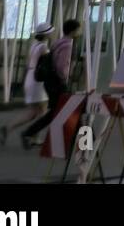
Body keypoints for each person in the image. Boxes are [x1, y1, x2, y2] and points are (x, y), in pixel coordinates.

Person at [19, 19, 81, 149]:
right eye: (78, 29)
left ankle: (29, 133)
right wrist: (64, 79)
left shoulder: (57, 42)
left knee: (55, 111)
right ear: (73, 31)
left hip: (49, 82)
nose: (79, 32)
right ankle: (78, 140)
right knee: (67, 108)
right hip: (58, 82)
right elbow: (61, 66)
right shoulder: (68, 45)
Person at [0, 22, 53, 146]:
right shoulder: (44, 48)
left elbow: (29, 63)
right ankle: (33, 137)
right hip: (38, 80)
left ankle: (8, 128)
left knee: (33, 111)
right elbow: (46, 65)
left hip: (30, 77)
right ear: (47, 34)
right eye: (50, 31)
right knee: (43, 111)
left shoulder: (33, 45)